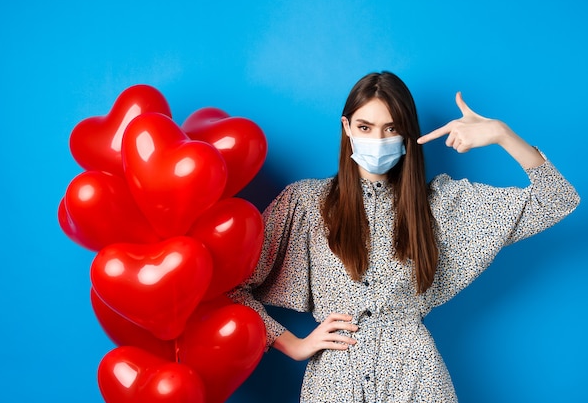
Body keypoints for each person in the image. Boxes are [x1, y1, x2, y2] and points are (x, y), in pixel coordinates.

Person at [229, 71, 580, 402]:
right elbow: (231, 287)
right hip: (334, 383)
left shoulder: (441, 206)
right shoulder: (306, 204)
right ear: (347, 127)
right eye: (365, 127)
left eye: (390, 128)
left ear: (407, 136)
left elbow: (557, 199)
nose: (377, 140)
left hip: (417, 380)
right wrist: (292, 343)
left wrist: (502, 134)